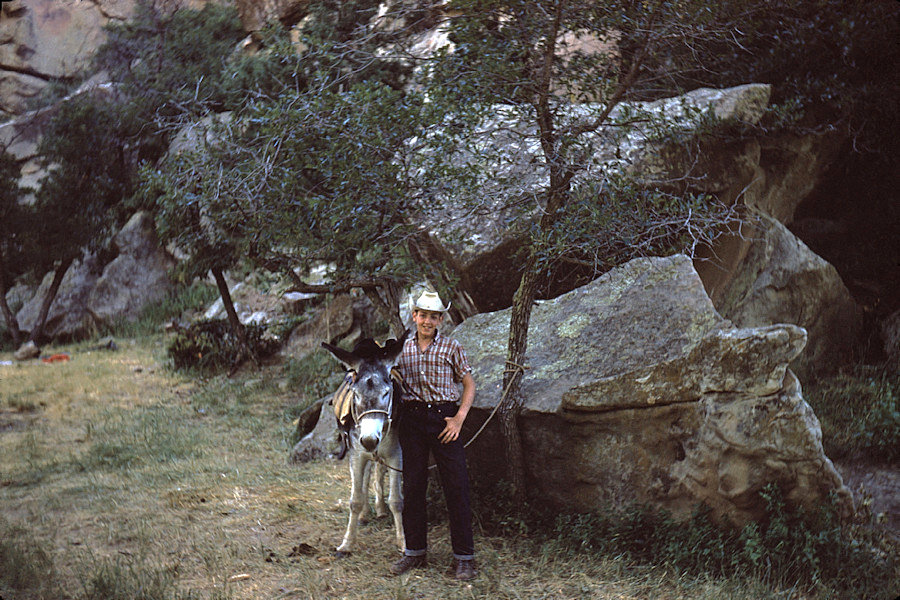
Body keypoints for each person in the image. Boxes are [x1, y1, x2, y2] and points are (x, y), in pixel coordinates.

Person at [390, 291, 477, 581]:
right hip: (412, 421)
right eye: (422, 315)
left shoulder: (451, 347)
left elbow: (469, 384)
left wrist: (458, 419)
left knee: (457, 486)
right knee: (413, 487)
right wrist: (355, 374)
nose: (427, 321)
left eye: (433, 316)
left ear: (441, 319)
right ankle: (414, 553)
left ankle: (464, 558)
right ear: (414, 316)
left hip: (444, 419)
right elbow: (380, 367)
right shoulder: (401, 349)